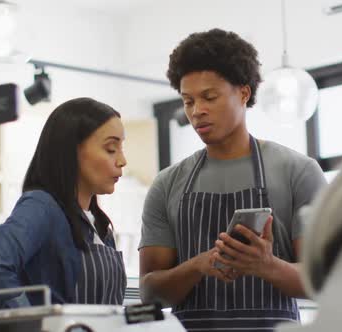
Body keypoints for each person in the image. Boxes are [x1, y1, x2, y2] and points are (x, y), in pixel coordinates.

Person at [138, 28, 326, 331]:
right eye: (188, 101)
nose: (197, 111)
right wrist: (197, 266)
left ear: (243, 92)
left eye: (209, 97)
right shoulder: (167, 184)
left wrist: (267, 266)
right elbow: (149, 293)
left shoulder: (298, 172)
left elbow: (322, 282)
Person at [0, 97, 128, 309]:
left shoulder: (101, 226)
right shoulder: (42, 207)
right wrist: (34, 323)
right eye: (111, 149)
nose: (122, 160)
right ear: (71, 150)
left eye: (122, 148)